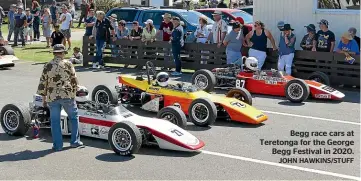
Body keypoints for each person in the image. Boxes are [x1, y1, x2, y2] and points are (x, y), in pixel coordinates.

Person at [36, 44, 83, 151]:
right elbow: (74, 80)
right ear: (62, 53)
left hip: (52, 96)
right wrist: (75, 92)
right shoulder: (68, 64)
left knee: (55, 121)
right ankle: (74, 142)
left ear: (54, 53)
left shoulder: (47, 65)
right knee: (74, 117)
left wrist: (43, 98)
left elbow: (43, 83)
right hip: (67, 95)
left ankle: (58, 145)